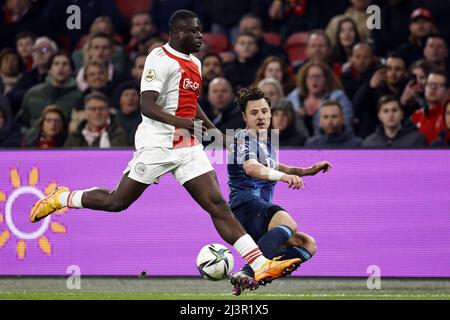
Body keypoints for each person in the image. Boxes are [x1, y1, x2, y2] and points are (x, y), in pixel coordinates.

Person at [29, 10, 301, 295]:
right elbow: (147, 105)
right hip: (157, 145)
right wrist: (181, 122)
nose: (199, 36)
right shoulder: (158, 59)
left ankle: (259, 264)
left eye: (200, 31)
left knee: (217, 205)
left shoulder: (195, 62)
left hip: (187, 147)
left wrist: (216, 134)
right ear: (175, 33)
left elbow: (192, 104)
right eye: (193, 31)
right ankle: (63, 197)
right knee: (117, 201)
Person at [228, 86, 331, 295]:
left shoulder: (266, 143)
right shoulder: (241, 138)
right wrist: (285, 178)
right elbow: (252, 167)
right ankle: (249, 271)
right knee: (288, 223)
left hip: (260, 211)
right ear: (244, 117)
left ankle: (253, 277)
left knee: (307, 244)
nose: (260, 117)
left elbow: (275, 165)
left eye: (264, 111)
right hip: (245, 205)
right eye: (254, 112)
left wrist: (306, 171)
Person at [362, 95, 428, 147]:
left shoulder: (417, 140)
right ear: (379, 116)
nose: (390, 115)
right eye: (386, 111)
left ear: (401, 114)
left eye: (394, 110)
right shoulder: (369, 144)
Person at [410, 70, 447, 144]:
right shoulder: (415, 116)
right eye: (430, 84)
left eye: (438, 85)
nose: (433, 88)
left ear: (447, 91)